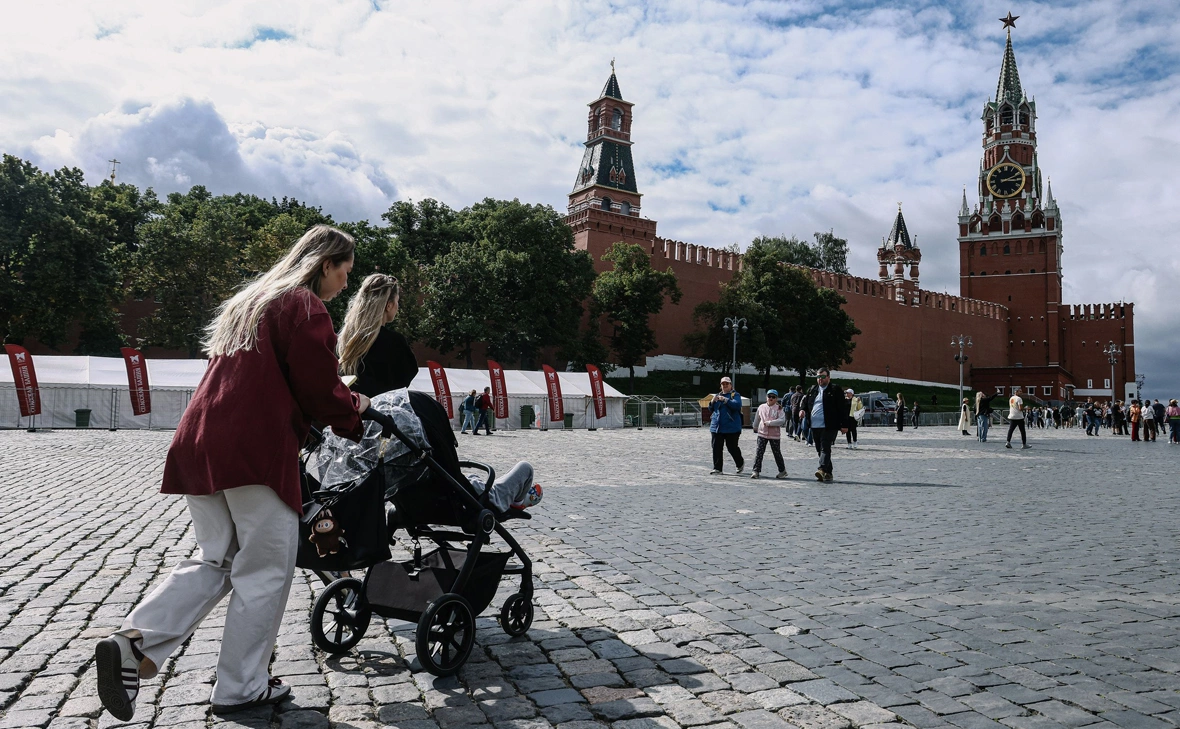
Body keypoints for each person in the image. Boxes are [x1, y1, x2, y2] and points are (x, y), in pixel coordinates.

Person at [95, 225, 368, 720]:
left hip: (201, 441)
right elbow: (318, 384)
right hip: (255, 451)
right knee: (264, 572)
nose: (345, 283)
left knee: (215, 559)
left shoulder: (250, 301)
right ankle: (241, 687)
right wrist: (353, 410)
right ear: (326, 263)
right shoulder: (304, 306)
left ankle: (135, 642)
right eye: (345, 271)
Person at [337, 274, 416, 398]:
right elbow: (405, 379)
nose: (397, 306)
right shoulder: (395, 342)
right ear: (389, 305)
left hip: (351, 406)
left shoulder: (344, 339)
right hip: (382, 407)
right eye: (397, 301)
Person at [799, 369, 850, 482]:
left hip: (829, 425)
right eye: (818, 377)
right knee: (819, 449)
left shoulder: (835, 389)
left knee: (825, 448)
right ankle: (829, 472)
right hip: (814, 425)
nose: (820, 379)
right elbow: (805, 403)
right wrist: (802, 410)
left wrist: (844, 425)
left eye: (822, 377)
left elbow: (842, 408)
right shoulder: (812, 390)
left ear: (828, 378)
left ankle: (821, 469)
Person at [709, 376, 744, 474]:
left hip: (731, 427)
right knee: (716, 448)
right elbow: (711, 409)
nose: (725, 385)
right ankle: (717, 468)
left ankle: (739, 463)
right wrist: (712, 402)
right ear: (720, 385)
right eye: (723, 384)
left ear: (730, 385)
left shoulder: (735, 395)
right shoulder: (717, 395)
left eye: (727, 384)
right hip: (717, 427)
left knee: (732, 447)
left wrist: (725, 400)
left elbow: (737, 405)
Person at [750, 389, 787, 479]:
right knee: (759, 452)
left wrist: (770, 423)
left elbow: (782, 420)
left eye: (773, 397)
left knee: (777, 453)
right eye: (769, 396)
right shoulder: (761, 407)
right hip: (762, 433)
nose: (771, 398)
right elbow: (757, 418)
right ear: (766, 397)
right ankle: (756, 471)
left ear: (776, 399)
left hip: (774, 435)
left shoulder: (779, 408)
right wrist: (755, 427)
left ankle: (782, 471)